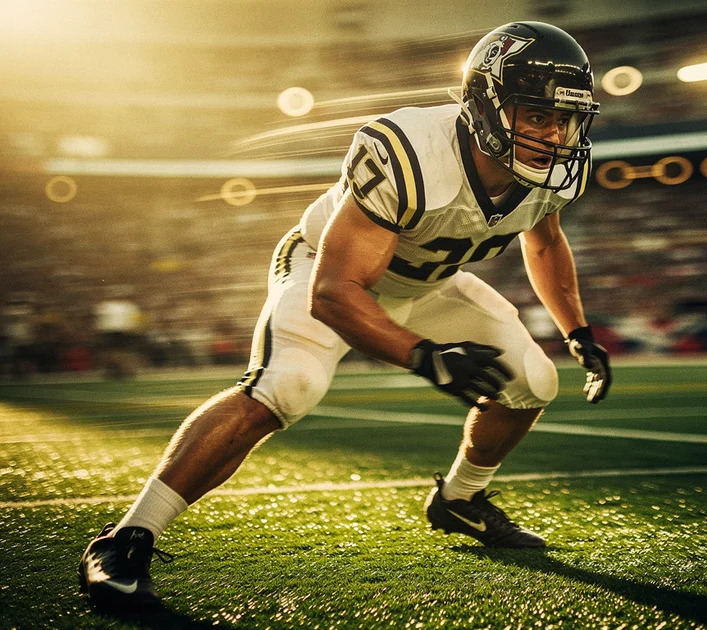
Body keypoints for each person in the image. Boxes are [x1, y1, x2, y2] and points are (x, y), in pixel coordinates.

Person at [78, 21, 612, 609]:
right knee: (287, 386)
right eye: (536, 115)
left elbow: (544, 240)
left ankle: (460, 500)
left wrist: (577, 331)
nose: (555, 135)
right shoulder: (410, 149)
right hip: (325, 269)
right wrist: (424, 357)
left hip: (429, 282)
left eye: (565, 119)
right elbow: (334, 291)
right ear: (486, 103)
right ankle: (127, 537)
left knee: (534, 383)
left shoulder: (555, 172)